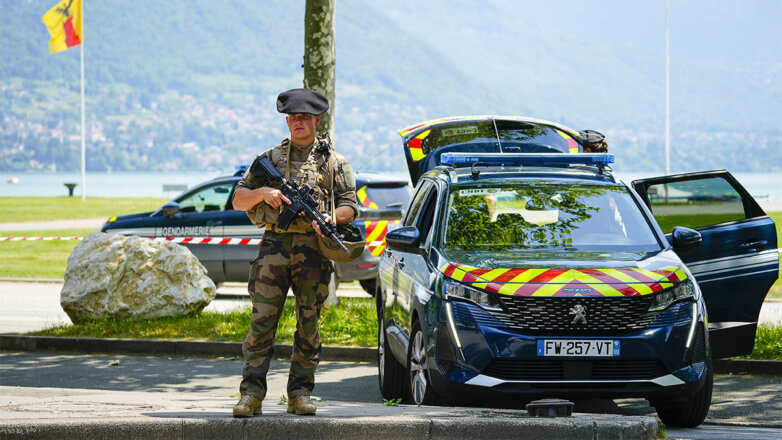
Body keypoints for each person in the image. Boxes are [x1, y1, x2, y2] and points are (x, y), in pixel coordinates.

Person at [231, 88, 358, 417]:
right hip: (274, 247)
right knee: (261, 322)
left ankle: (299, 393)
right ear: (287, 121)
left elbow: (350, 207)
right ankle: (251, 395)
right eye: (293, 117)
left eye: (305, 117)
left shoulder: (335, 162)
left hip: (313, 250)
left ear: (317, 120)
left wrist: (330, 218)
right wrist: (264, 192)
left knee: (309, 325)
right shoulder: (269, 159)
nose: (298, 122)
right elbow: (238, 200)